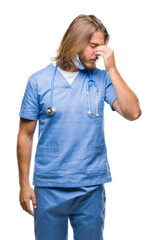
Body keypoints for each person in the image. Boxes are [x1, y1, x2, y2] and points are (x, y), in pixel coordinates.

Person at [17, 14, 142, 240]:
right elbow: (25, 135)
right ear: (74, 41)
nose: (98, 52)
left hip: (90, 188)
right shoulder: (38, 81)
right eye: (93, 45)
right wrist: (24, 184)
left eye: (102, 46)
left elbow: (133, 113)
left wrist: (112, 69)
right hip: (48, 187)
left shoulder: (102, 79)